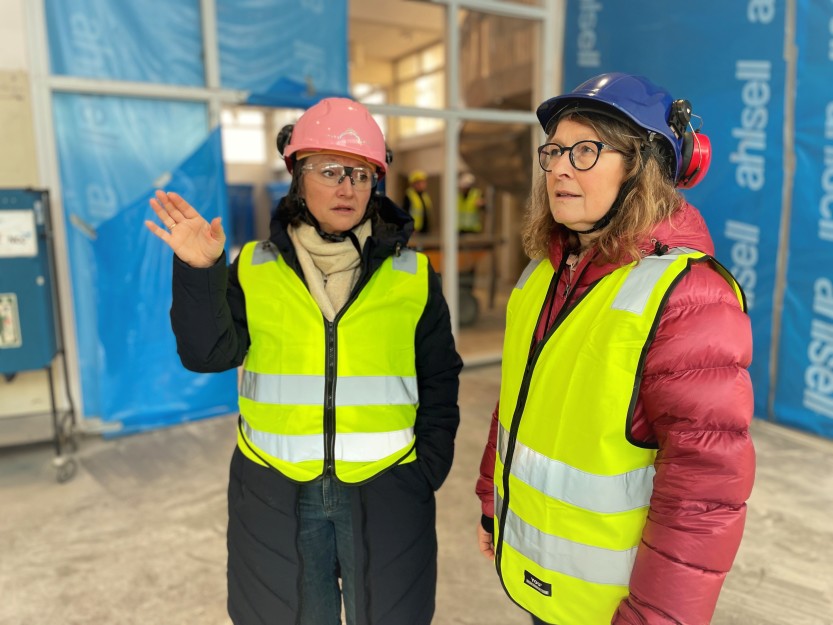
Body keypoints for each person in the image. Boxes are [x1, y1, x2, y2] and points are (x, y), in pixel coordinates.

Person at [145, 97, 462, 625]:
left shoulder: (412, 275)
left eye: (361, 174)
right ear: (296, 175)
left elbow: (440, 377)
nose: (346, 187)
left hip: (386, 491)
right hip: (275, 492)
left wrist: (425, 470)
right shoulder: (254, 267)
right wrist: (199, 270)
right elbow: (206, 355)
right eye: (329, 170)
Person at [474, 72, 755, 625]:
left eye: (584, 151)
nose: (557, 167)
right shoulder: (542, 276)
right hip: (543, 576)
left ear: (642, 167)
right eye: (553, 151)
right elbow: (517, 404)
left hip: (616, 606)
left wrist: (657, 616)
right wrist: (494, 505)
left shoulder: (690, 296)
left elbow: (704, 491)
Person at [403, 169, 432, 234]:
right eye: (419, 182)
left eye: (423, 182)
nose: (422, 184)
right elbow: (405, 214)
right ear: (413, 183)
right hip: (415, 231)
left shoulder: (425, 196)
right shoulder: (409, 195)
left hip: (425, 230)